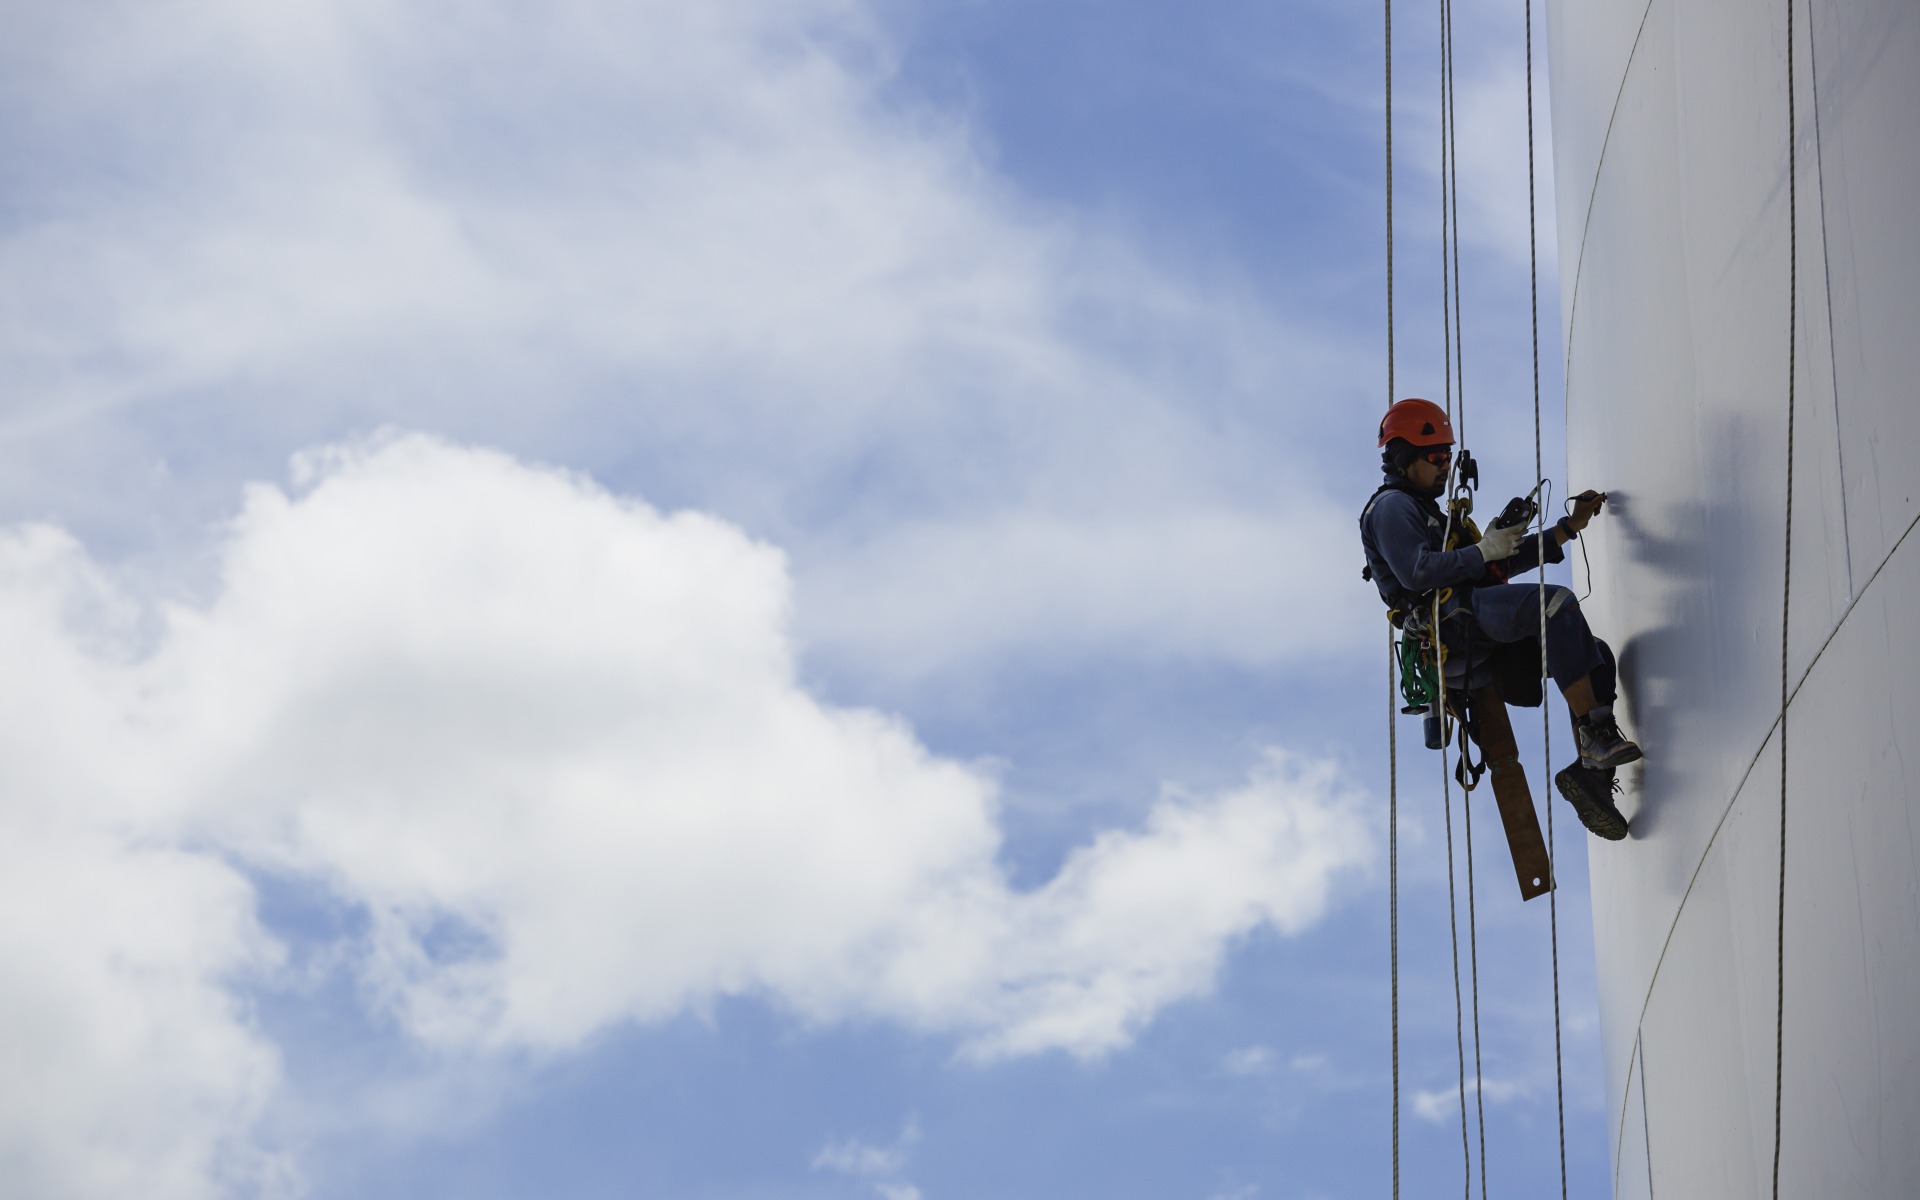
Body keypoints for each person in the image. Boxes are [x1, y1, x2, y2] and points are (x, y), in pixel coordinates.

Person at [1360, 397, 1640, 840]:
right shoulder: (1391, 507)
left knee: (1594, 656)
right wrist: (1481, 551)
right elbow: (1417, 572)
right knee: (1556, 604)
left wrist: (1568, 527)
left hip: (1476, 628)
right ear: (1403, 458)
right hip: (1452, 626)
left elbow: (1493, 567)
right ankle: (1596, 737)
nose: (1443, 467)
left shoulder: (1433, 514)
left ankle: (1593, 777)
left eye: (1447, 459)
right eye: (1435, 458)